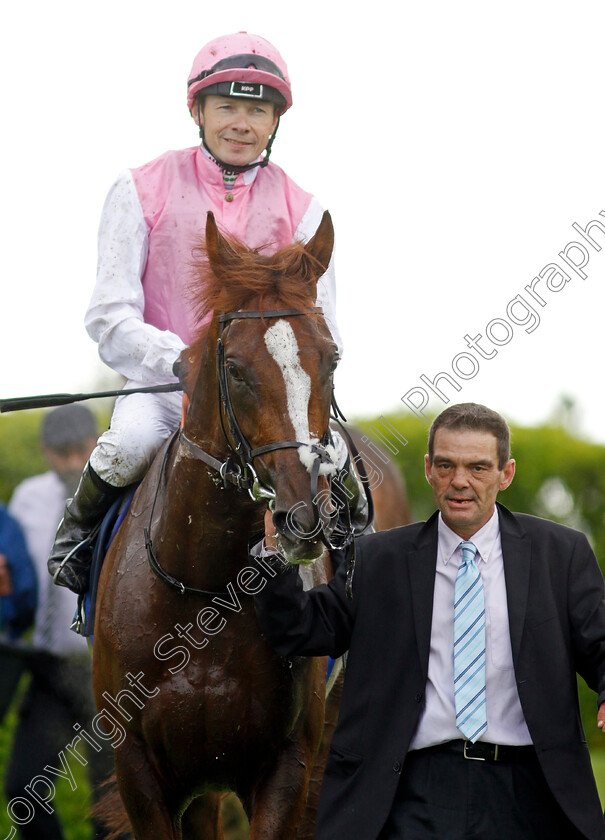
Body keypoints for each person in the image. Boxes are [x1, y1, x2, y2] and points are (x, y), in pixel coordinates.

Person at [48, 30, 348, 595]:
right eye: (226, 107)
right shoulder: (139, 187)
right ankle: (78, 544)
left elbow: (322, 328)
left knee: (345, 475)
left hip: (271, 402)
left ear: (275, 121)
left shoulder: (307, 210)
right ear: (198, 110)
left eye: (257, 110)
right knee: (127, 447)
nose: (241, 123)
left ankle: (355, 586)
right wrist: (181, 360)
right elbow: (108, 316)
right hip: (163, 389)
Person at [253, 402, 605, 840]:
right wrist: (273, 558)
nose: (460, 481)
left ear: (506, 473)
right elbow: (298, 629)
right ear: (428, 469)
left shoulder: (562, 554)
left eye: (478, 467)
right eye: (446, 465)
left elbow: (599, 642)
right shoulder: (376, 559)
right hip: (411, 792)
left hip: (531, 791)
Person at [5, 405, 121, 840]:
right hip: (49, 666)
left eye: (80, 451)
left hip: (106, 674)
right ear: (45, 452)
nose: (73, 463)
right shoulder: (28, 497)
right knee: (22, 791)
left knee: (110, 808)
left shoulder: (118, 494)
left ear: (96, 443)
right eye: (62, 454)